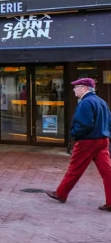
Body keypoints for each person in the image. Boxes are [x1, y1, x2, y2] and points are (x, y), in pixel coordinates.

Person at [45, 78, 111, 211]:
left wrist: (74, 134)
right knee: (107, 171)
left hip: (88, 141)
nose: (74, 90)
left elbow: (84, 124)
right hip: (103, 140)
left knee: (75, 168)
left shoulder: (85, 102)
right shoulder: (101, 102)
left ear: (85, 88)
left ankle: (61, 193)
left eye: (77, 87)